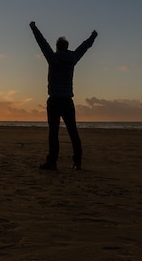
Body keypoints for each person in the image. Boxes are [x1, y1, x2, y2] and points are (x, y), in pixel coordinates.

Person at [29, 21, 98, 171]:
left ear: (57, 47)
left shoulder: (53, 58)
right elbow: (84, 47)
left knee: (53, 132)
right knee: (73, 131)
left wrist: (34, 28)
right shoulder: (72, 58)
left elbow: (42, 43)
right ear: (66, 47)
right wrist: (93, 37)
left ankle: (52, 162)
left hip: (54, 100)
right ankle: (77, 162)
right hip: (67, 100)